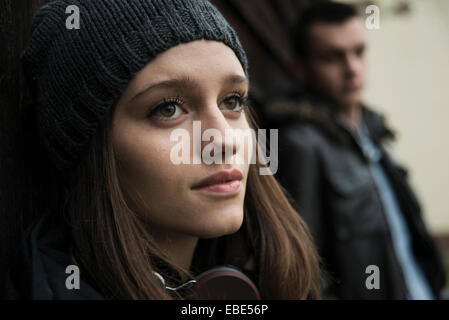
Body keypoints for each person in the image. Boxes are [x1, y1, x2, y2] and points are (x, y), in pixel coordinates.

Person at [0, 0, 321, 300]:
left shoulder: (268, 278)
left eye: (233, 101)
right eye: (167, 109)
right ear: (90, 148)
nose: (224, 141)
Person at [276, 2, 446, 299]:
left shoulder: (374, 132)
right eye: (333, 57)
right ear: (300, 69)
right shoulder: (300, 145)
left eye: (359, 52)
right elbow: (305, 271)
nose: (352, 68)